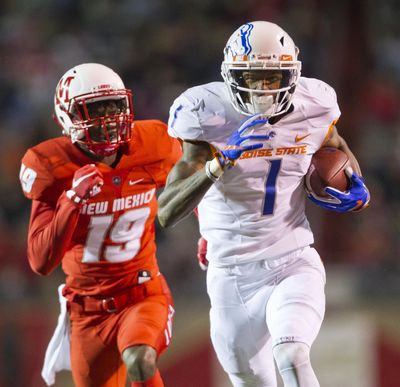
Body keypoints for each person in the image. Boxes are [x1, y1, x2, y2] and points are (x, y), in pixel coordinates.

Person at [157, 21, 370, 387]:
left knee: (291, 353)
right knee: (249, 380)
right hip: (231, 274)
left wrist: (357, 185)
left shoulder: (314, 103)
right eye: (252, 77)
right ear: (230, 74)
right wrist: (219, 162)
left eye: (273, 76)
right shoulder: (207, 111)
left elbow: (335, 148)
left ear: (292, 73)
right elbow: (166, 211)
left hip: (292, 260)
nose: (263, 88)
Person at [19, 63, 181, 387]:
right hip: (87, 310)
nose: (107, 121)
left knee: (140, 357)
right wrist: (72, 201)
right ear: (67, 117)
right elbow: (40, 261)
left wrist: (209, 226)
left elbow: (191, 178)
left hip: (141, 292)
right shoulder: (52, 168)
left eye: (114, 107)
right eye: (94, 111)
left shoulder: (154, 144)